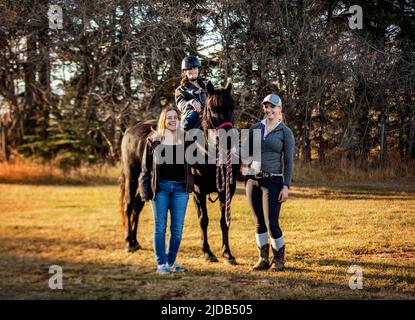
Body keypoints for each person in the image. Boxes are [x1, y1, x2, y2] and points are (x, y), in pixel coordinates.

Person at [139, 106, 194, 274]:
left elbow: (197, 162)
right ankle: (161, 263)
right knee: (160, 228)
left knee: (177, 230)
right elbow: (145, 169)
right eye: (169, 117)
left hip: (180, 190)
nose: (172, 120)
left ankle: (171, 261)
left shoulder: (186, 139)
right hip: (161, 189)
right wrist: (145, 192)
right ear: (164, 120)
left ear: (179, 120)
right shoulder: (153, 140)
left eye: (175, 117)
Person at [245, 94, 295, 271]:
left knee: (271, 222)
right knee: (259, 221)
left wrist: (286, 187)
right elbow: (245, 152)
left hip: (273, 181)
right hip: (253, 180)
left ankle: (279, 260)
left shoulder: (285, 132)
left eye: (272, 107)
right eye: (266, 107)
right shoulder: (255, 128)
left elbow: (288, 162)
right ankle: (263, 259)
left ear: (280, 109)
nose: (269, 110)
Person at [175, 56, 207, 130]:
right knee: (190, 118)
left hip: (208, 113)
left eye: (195, 68)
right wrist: (191, 102)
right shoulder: (180, 90)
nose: (192, 70)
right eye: (189, 68)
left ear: (198, 69)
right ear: (185, 71)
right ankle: (182, 136)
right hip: (192, 114)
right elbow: (181, 104)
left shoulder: (207, 85)